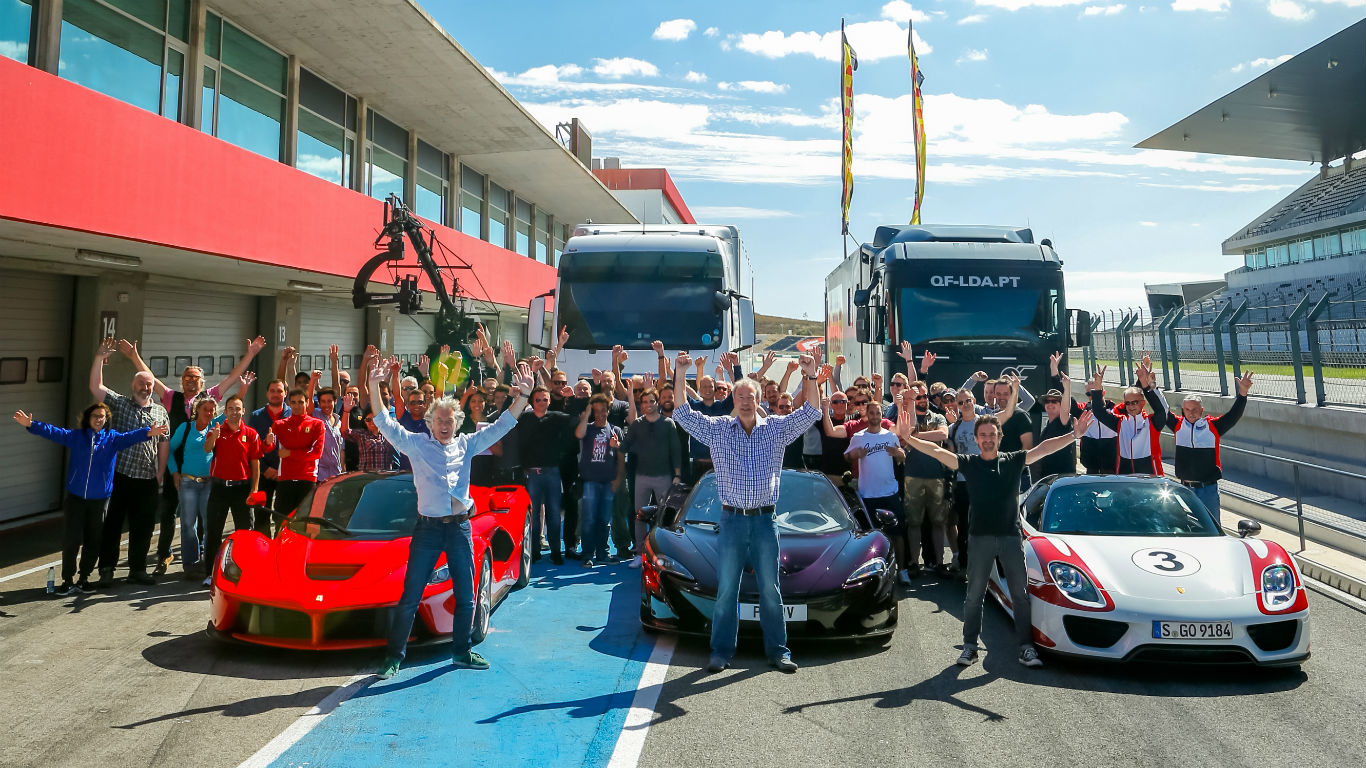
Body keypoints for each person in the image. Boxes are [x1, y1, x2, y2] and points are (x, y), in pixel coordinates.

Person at [372, 358, 533, 680]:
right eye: (439, 420)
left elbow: (504, 424)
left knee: (466, 592)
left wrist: (524, 397)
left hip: (460, 528)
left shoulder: (468, 444)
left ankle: (461, 651)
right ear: (430, 422)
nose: (445, 425)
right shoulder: (415, 444)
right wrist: (375, 385)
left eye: (450, 420)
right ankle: (394, 657)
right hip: (428, 530)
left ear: (457, 422)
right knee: (410, 594)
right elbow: (383, 423)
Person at [903, 402, 1094, 669]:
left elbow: (1044, 448)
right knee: (974, 595)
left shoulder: (1014, 460)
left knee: (1020, 594)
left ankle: (1025, 647)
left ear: (999, 437)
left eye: (992, 435)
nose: (988, 439)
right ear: (977, 439)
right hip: (979, 539)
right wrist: (908, 438)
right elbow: (936, 451)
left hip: (1010, 538)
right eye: (983, 435)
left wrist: (1074, 436)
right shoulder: (968, 463)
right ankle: (970, 647)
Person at [672, 351, 821, 675]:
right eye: (738, 395)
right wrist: (680, 374)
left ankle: (778, 652)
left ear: (758, 399)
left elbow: (812, 411)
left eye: (749, 395)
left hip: (766, 521)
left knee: (770, 589)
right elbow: (682, 413)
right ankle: (721, 652)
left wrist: (809, 375)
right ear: (734, 399)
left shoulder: (776, 429)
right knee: (727, 589)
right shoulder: (718, 430)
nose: (744, 400)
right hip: (732, 521)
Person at [117, 336, 266, 574]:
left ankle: (202, 562)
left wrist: (251, 354)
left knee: (203, 518)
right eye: (187, 377)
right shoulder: (170, 398)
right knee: (167, 513)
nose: (190, 381)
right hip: (175, 466)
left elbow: (231, 379)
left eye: (195, 377)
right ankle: (164, 556)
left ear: (201, 381)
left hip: (202, 468)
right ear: (182, 381)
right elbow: (151, 380)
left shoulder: (211, 397)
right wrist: (135, 357)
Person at [15, 403, 165, 594]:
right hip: (76, 498)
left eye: (102, 417)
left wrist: (148, 431)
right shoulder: (77, 437)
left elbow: (131, 437)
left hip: (99, 500)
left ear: (106, 419)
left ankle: (84, 578)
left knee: (93, 540)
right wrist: (31, 424)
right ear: (88, 418)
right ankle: (68, 579)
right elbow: (54, 432)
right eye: (95, 416)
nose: (99, 419)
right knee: (72, 540)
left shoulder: (112, 439)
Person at [89, 338, 170, 587]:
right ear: (132, 385)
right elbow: (96, 386)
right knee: (112, 524)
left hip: (147, 478)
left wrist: (160, 473)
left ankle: (137, 569)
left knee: (143, 528)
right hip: (121, 476)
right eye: (141, 384)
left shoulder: (160, 412)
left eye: (148, 384)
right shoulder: (120, 404)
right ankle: (106, 569)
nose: (145, 388)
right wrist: (98, 358)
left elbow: (163, 443)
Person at [1150, 371, 1253, 513]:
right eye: (1187, 409)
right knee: (1187, 528)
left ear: (1202, 410)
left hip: (1208, 490)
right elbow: (1163, 409)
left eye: (1195, 409)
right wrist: (1153, 386)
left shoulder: (1213, 426)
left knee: (1212, 529)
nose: (1191, 413)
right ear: (1183, 410)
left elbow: (1233, 415)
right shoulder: (1178, 425)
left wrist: (1242, 395)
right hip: (1185, 488)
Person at [203, 394, 263, 587]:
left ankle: (246, 572)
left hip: (242, 489)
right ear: (225, 411)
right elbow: (207, 449)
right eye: (231, 409)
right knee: (213, 532)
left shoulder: (251, 434)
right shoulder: (217, 430)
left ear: (243, 411)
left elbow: (255, 464)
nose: (235, 412)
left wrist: (254, 489)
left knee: (245, 533)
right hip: (220, 488)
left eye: (238, 409)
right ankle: (210, 574)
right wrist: (213, 437)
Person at [622, 386, 682, 568]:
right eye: (644, 402)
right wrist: (617, 444)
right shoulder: (637, 424)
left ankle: (661, 554)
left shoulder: (668, 424)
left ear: (657, 403)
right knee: (639, 515)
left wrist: (677, 474)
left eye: (651, 401)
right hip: (641, 477)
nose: (648, 405)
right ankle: (640, 553)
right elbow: (625, 446)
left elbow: (675, 450)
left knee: (663, 517)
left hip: (664, 477)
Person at [844, 399, 907, 574]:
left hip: (890, 492)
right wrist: (854, 455)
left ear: (882, 415)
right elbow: (847, 457)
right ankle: (871, 573)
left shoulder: (890, 435)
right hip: (868, 494)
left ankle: (902, 570)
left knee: (897, 533)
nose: (874, 416)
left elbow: (902, 457)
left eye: (878, 413)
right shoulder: (859, 437)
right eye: (871, 413)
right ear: (867, 414)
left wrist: (898, 453)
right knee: (870, 537)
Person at [896, 382, 950, 580]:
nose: (923, 400)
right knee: (914, 523)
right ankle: (914, 563)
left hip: (936, 476)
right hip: (913, 476)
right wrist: (913, 434)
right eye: (918, 397)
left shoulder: (938, 416)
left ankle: (939, 563)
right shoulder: (907, 416)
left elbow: (943, 434)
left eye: (925, 396)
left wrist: (915, 437)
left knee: (938, 521)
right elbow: (905, 432)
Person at [517, 385, 576, 565]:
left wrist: (571, 399)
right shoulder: (524, 418)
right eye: (538, 400)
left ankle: (556, 552)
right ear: (532, 402)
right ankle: (534, 552)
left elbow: (575, 419)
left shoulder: (556, 418)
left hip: (552, 473)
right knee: (533, 516)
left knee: (554, 515)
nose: (542, 403)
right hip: (532, 474)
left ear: (549, 401)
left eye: (545, 399)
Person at [167, 396, 221, 578]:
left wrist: (243, 387)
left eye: (212, 410)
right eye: (206, 409)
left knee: (209, 524)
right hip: (188, 483)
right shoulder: (186, 428)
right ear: (197, 410)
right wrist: (174, 472)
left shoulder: (215, 428)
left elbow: (235, 408)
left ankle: (208, 562)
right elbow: (169, 450)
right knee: (188, 524)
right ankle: (190, 564)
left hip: (208, 483)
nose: (209, 413)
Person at [575, 394, 625, 567]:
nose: (600, 414)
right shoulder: (587, 428)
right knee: (589, 518)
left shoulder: (615, 430)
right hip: (590, 481)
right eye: (596, 411)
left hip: (608, 482)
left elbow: (621, 457)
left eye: (603, 410)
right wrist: (586, 414)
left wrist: (618, 480)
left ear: (608, 411)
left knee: (605, 520)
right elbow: (578, 433)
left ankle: (603, 552)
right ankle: (588, 553)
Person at [1088, 361, 1164, 475]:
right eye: (1127, 403)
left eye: (1134, 402)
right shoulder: (1120, 422)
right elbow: (1099, 412)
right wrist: (1098, 388)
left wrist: (1147, 385)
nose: (1131, 406)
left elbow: (1161, 410)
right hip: (1126, 480)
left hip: (1150, 482)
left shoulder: (1152, 422)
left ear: (1143, 403)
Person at [268, 388, 325, 524]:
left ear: (307, 403)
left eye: (300, 402)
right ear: (289, 404)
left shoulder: (317, 424)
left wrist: (290, 453)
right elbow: (268, 448)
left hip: (307, 479)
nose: (297, 406)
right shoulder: (280, 424)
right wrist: (267, 442)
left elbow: (316, 453)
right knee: (281, 522)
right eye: (293, 402)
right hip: (285, 479)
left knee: (305, 523)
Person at [247, 378, 290, 531]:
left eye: (279, 391)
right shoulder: (256, 416)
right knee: (261, 515)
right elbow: (252, 447)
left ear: (285, 393)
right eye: (272, 391)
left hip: (286, 473)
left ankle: (281, 548)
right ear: (267, 394)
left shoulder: (292, 414)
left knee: (283, 515)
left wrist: (280, 470)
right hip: (264, 473)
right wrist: (265, 469)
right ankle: (263, 549)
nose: (276, 394)